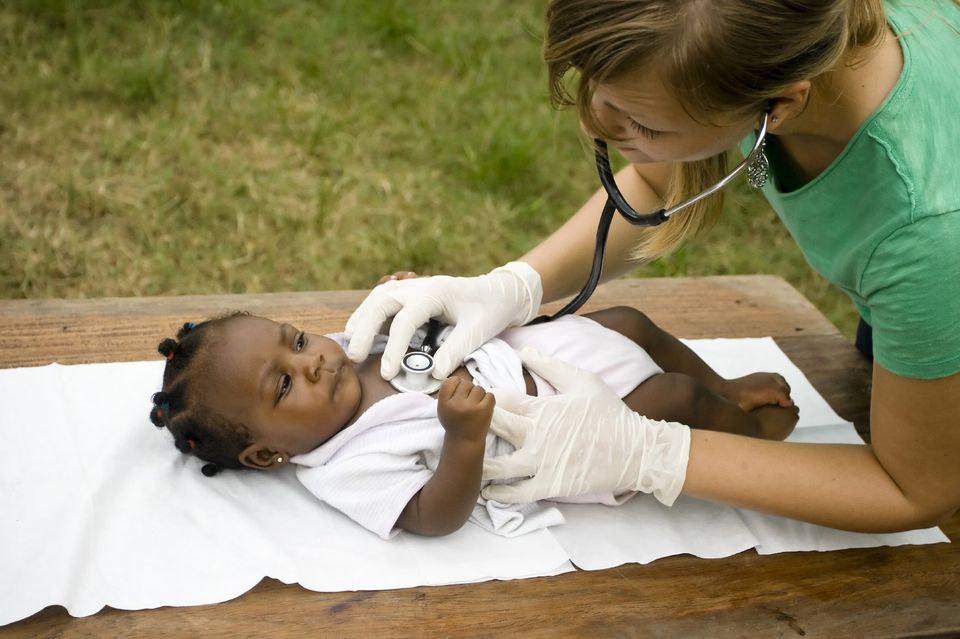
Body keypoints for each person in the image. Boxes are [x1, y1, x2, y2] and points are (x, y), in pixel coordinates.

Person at [344, 0, 960, 533]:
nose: (594, 124)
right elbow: (658, 179)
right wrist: (513, 286)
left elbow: (914, 488)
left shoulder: (925, 235)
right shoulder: (803, 34)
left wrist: (652, 454)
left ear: (780, 105)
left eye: (642, 124)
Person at [148, 307, 797, 538]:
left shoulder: (350, 348)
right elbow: (433, 516)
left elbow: (426, 326)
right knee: (677, 399)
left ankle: (727, 386)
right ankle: (755, 443)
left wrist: (410, 298)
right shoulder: (344, 466)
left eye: (294, 338)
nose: (313, 360)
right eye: (284, 384)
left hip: (538, 355)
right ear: (268, 454)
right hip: (563, 430)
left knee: (629, 321)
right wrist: (465, 438)